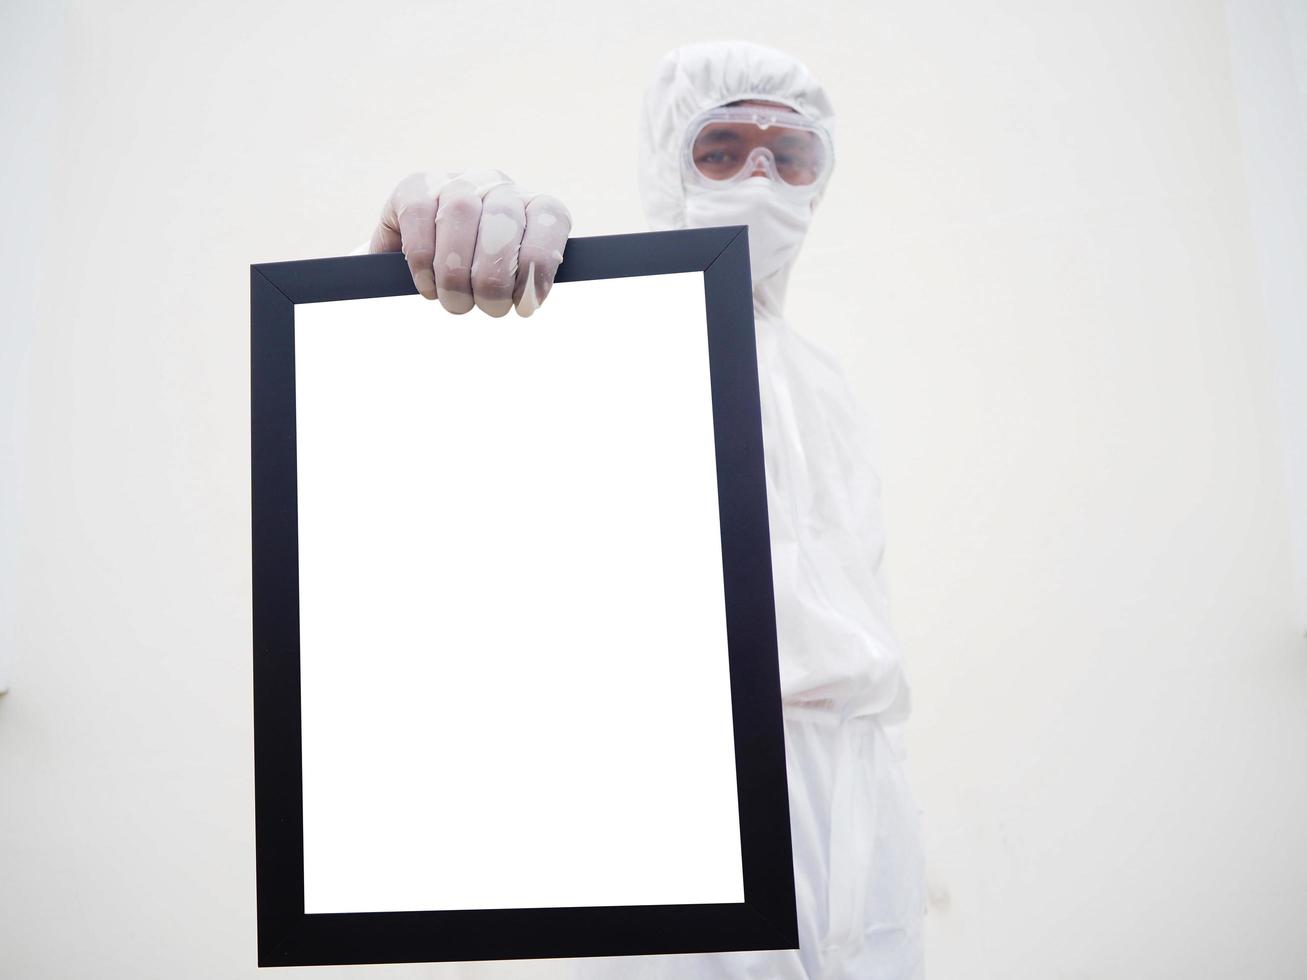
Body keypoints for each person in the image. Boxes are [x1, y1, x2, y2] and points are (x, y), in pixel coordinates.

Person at [362, 39, 926, 980]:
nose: (760, 174)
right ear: (667, 162)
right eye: (721, 147)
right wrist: (412, 275)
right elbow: (432, 470)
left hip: (861, 787)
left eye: (790, 156)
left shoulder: (828, 386)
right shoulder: (598, 339)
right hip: (681, 790)